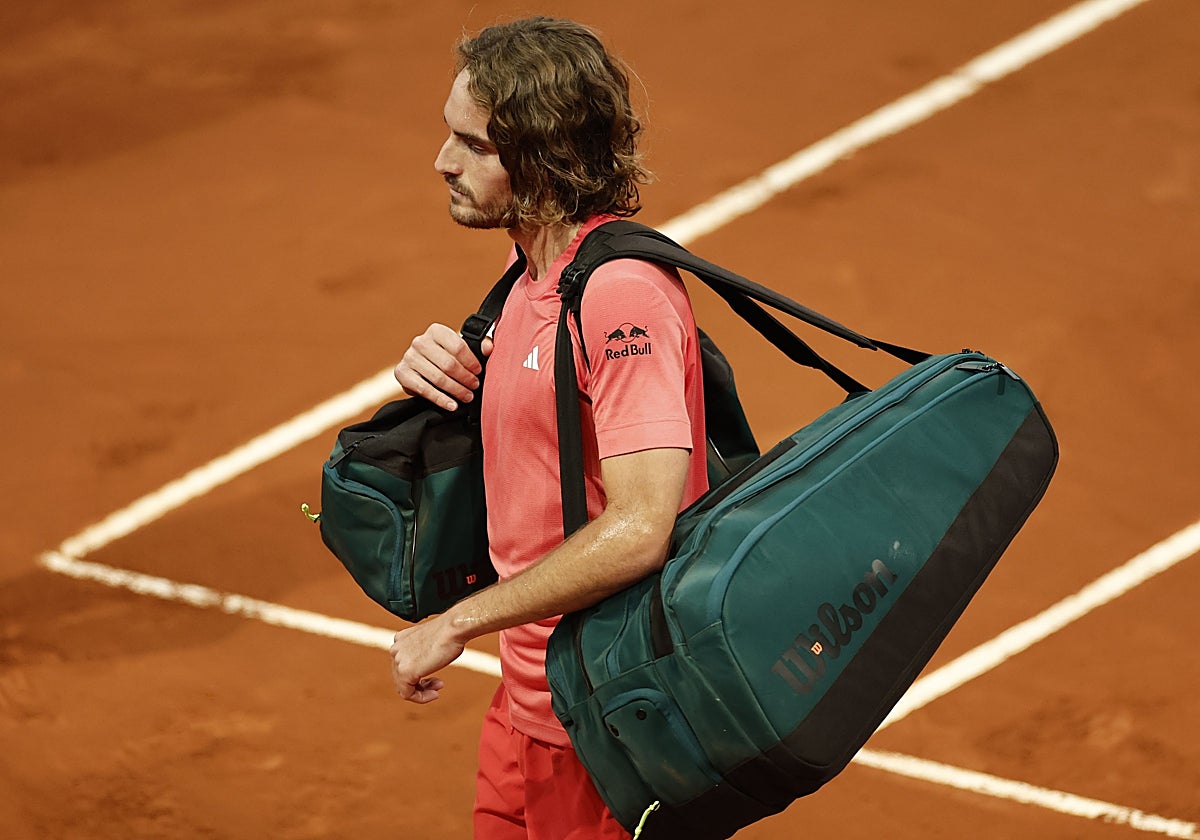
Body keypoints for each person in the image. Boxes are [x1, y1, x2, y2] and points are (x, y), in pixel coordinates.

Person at [388, 17, 709, 839]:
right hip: (528, 694)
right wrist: (449, 367)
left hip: (605, 721)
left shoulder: (620, 297)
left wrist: (455, 622)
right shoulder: (528, 271)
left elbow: (642, 528)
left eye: (473, 145)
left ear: (543, 158)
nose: (443, 161)